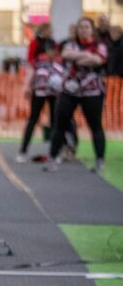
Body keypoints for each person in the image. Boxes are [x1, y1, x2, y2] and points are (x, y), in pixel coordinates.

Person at [47, 16, 108, 173]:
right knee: (59, 124)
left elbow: (98, 60)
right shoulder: (70, 44)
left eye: (87, 27)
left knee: (95, 126)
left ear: (92, 29)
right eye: (81, 27)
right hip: (70, 90)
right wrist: (86, 57)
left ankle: (100, 160)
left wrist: (78, 57)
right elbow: (66, 54)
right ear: (77, 29)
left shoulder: (99, 45)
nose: (83, 30)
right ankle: (53, 158)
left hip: (92, 91)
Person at [16, 23, 62, 162]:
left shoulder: (55, 44)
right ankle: (23, 151)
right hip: (39, 88)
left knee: (55, 120)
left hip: (53, 90)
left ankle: (55, 153)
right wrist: (28, 86)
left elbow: (61, 65)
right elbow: (30, 65)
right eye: (45, 30)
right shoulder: (35, 44)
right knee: (33, 118)